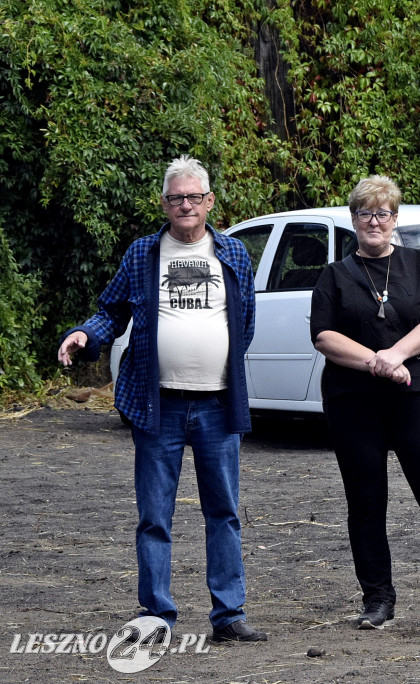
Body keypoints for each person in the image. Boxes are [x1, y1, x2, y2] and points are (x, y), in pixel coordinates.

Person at [57, 155, 267, 641]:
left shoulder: (233, 254)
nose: (186, 205)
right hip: (159, 407)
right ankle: (156, 615)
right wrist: (86, 334)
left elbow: (245, 324)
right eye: (177, 198)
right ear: (165, 203)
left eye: (195, 197)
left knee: (225, 512)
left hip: (217, 405)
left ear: (210, 201)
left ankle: (229, 616)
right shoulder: (142, 254)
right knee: (154, 516)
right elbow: (110, 311)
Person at [309, 175, 420, 633]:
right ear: (353, 220)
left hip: (414, 399)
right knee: (366, 506)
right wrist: (376, 363)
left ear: (394, 219)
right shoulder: (334, 276)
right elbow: (324, 337)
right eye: (365, 213)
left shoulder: (418, 264)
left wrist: (396, 354)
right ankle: (378, 600)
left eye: (382, 213)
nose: (373, 221)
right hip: (354, 405)